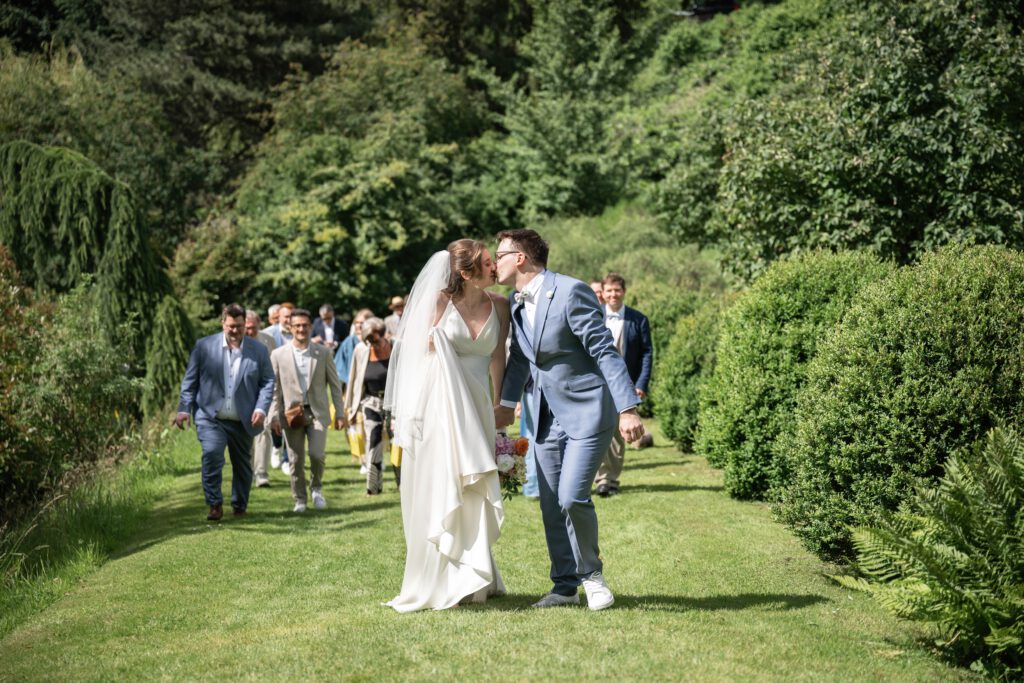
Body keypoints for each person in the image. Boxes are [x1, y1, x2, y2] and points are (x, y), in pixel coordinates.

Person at [494, 229, 644, 611]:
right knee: (549, 504)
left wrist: (627, 407)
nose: (494, 262)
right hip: (544, 416)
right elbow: (520, 359)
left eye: (499, 254)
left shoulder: (570, 291)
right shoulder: (515, 301)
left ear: (521, 257)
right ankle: (564, 587)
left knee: (572, 495)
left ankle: (592, 576)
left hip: (588, 410)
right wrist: (506, 404)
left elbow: (604, 351)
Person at [384, 239, 511, 612]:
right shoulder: (438, 302)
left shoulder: (500, 305)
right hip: (441, 405)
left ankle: (474, 579)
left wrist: (502, 402)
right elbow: (414, 357)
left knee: (473, 485)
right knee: (445, 484)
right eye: (487, 263)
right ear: (466, 272)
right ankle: (439, 581)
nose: (494, 268)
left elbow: (498, 356)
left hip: (479, 404)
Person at [175, 303, 275, 520]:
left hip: (243, 418)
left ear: (245, 324)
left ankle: (239, 505)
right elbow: (189, 382)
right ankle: (214, 504)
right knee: (212, 454)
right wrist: (184, 409)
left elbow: (268, 381)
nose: (235, 331)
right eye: (231, 326)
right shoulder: (204, 347)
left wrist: (261, 407)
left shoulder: (258, 350)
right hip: (211, 416)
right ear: (223, 323)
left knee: (242, 466)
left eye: (239, 326)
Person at [270, 309, 345, 513]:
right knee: (295, 459)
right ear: (290, 328)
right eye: (297, 326)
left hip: (317, 412)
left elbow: (335, 385)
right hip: (291, 414)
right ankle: (300, 499)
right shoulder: (278, 355)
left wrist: (340, 412)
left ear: (310, 327)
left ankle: (317, 489)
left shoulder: (323, 353)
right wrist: (273, 416)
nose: (301, 329)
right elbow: (274, 389)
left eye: (305, 325)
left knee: (317, 454)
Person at [594, 273, 653, 497]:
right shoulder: (594, 316)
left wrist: (640, 383)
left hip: (626, 385)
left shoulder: (639, 319)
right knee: (596, 429)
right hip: (597, 384)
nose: (613, 294)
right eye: (609, 290)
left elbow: (647, 354)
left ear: (624, 291)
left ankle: (609, 480)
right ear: (603, 292)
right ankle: (597, 476)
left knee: (618, 436)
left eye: (617, 290)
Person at [344, 317, 394, 495]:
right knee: (373, 441)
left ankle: (403, 484)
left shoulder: (397, 347)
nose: (372, 344)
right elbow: (354, 378)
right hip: (370, 401)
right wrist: (349, 407)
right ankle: (373, 487)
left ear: (383, 334)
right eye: (368, 340)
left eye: (374, 339)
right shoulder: (361, 350)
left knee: (397, 442)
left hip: (395, 402)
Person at [245, 309, 278, 488]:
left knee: (264, 431)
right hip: (243, 395)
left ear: (259, 325)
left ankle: (261, 473)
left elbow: (274, 368)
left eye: (253, 328)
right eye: (247, 328)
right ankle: (247, 471)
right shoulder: (235, 342)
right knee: (246, 434)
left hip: (264, 393)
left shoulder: (268, 341)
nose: (250, 332)